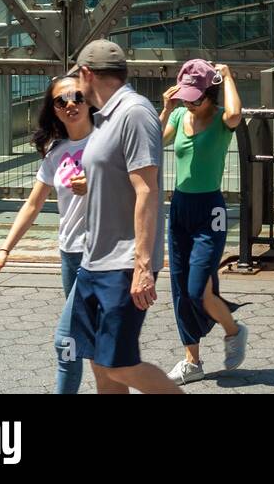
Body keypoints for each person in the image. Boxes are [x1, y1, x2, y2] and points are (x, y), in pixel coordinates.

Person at [68, 39, 180, 394]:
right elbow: (117, 173)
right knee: (100, 363)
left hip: (123, 262)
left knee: (120, 364)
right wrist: (91, 181)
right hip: (94, 259)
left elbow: (147, 189)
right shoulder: (104, 118)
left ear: (87, 73)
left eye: (77, 80)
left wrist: (143, 266)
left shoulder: (134, 112)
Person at [0, 75, 93, 394]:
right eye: (62, 101)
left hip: (102, 256)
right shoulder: (56, 152)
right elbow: (33, 205)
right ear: (54, 110)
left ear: (89, 100)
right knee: (88, 342)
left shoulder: (108, 142)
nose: (70, 104)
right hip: (70, 255)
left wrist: (96, 185)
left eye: (77, 96)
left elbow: (138, 190)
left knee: (67, 340)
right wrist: (4, 250)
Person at [158, 59, 248, 385]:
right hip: (180, 207)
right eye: (186, 96)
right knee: (180, 289)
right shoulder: (180, 114)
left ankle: (233, 331)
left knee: (198, 290)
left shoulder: (223, 119)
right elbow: (154, 141)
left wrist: (227, 75)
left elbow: (237, 113)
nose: (190, 103)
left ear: (210, 95)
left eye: (196, 97)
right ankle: (191, 361)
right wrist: (167, 108)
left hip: (210, 210)